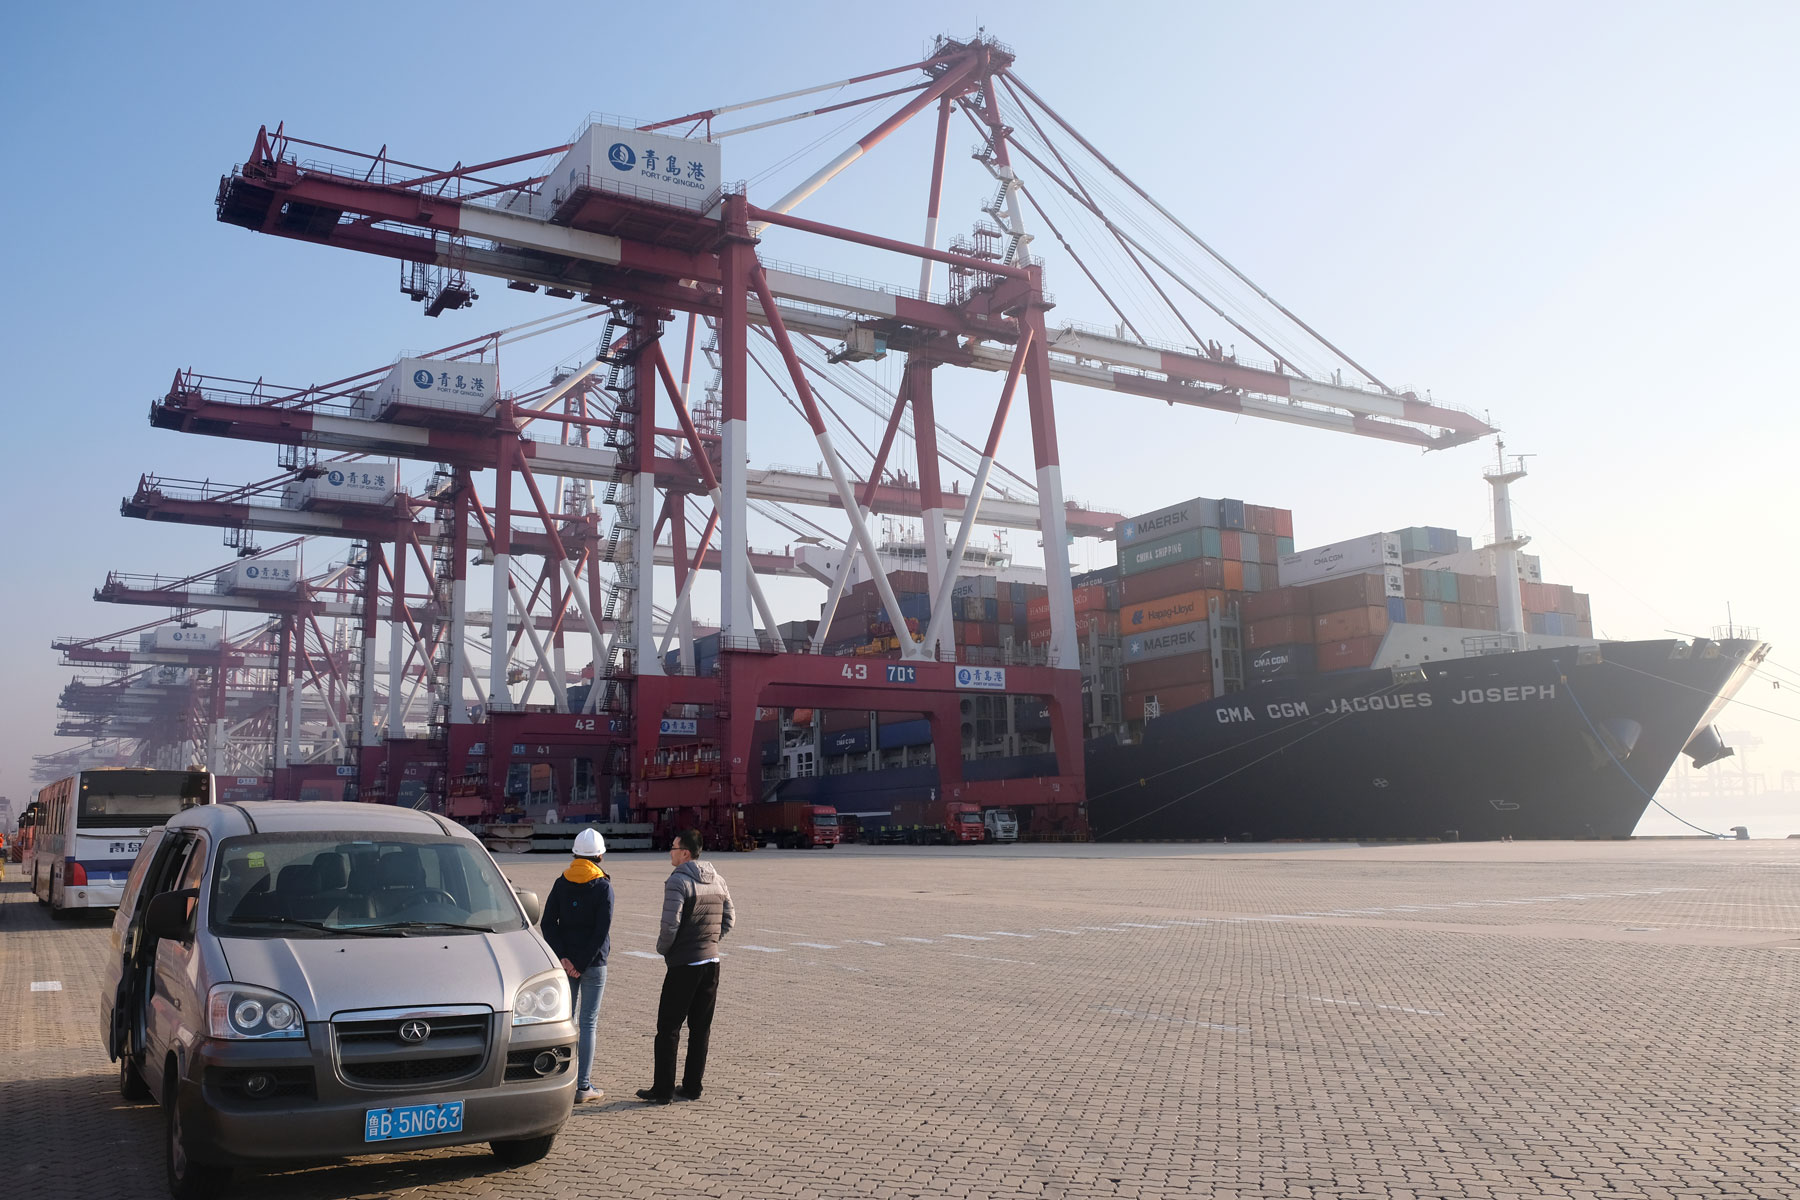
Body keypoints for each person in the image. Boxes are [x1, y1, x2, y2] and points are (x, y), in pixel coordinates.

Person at [637, 828, 734, 1104]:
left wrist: (664, 949)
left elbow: (670, 925)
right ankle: (692, 1087)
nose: (670, 850)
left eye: (674, 847)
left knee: (668, 1028)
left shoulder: (678, 881)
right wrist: (712, 941)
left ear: (686, 853)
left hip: (684, 964)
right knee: (700, 1028)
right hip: (711, 963)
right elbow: (730, 919)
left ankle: (663, 1090)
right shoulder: (718, 879)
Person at [541, 827, 614, 1103]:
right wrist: (582, 963)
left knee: (565, 1021)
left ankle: (559, 1081)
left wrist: (564, 958)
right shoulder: (604, 886)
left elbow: (548, 922)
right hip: (593, 964)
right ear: (600, 855)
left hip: (565, 964)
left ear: (575, 853)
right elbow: (601, 930)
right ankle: (583, 1086)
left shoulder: (562, 882)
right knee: (588, 1023)